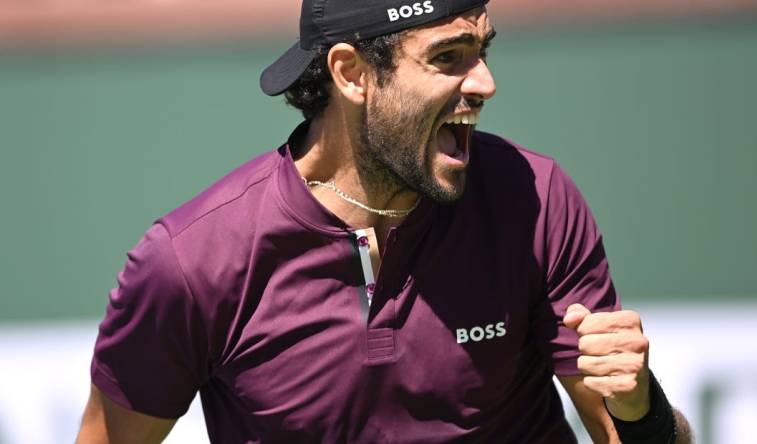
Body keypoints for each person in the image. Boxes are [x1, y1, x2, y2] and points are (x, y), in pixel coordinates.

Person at [77, 0, 693, 442]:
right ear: (351, 74)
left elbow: (630, 432)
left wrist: (642, 411)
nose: (484, 83)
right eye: (448, 56)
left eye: (482, 51)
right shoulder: (189, 261)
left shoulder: (536, 197)